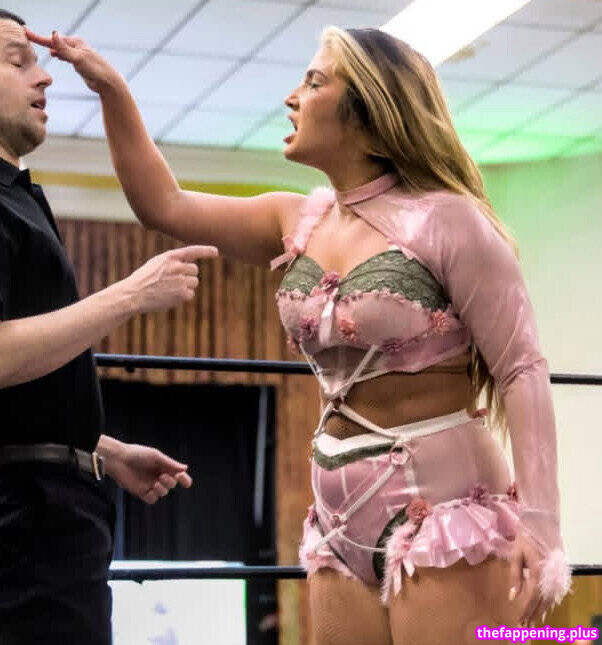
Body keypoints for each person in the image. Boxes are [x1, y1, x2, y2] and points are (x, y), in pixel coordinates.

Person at [29, 22, 572, 645]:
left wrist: (542, 525)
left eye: (313, 82)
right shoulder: (297, 219)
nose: (292, 97)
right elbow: (163, 205)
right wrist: (113, 91)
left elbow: (522, 368)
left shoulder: (449, 221)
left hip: (444, 509)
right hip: (339, 517)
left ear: (368, 109)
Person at [0, 10, 219, 645]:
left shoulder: (17, 196)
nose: (44, 77)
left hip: (49, 511)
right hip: (23, 521)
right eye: (17, 61)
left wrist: (101, 450)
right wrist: (130, 295)